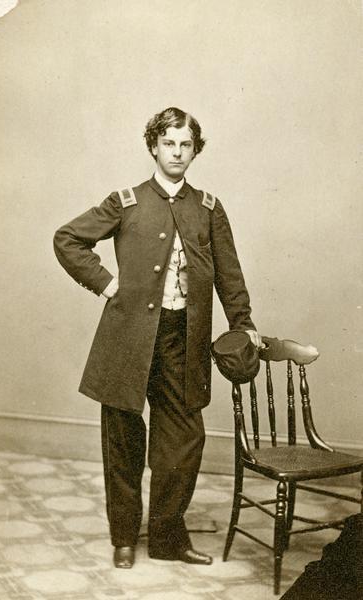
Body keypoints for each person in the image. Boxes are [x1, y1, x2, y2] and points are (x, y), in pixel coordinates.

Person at [53, 107, 261, 569]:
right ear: (154, 146)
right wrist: (107, 284)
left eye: (186, 144)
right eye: (169, 143)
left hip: (182, 341)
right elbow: (68, 239)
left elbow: (229, 273)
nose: (177, 152)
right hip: (127, 340)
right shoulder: (125, 201)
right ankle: (124, 537)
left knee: (182, 444)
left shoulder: (208, 207)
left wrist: (242, 323)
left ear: (195, 150)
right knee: (123, 441)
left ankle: (168, 537)